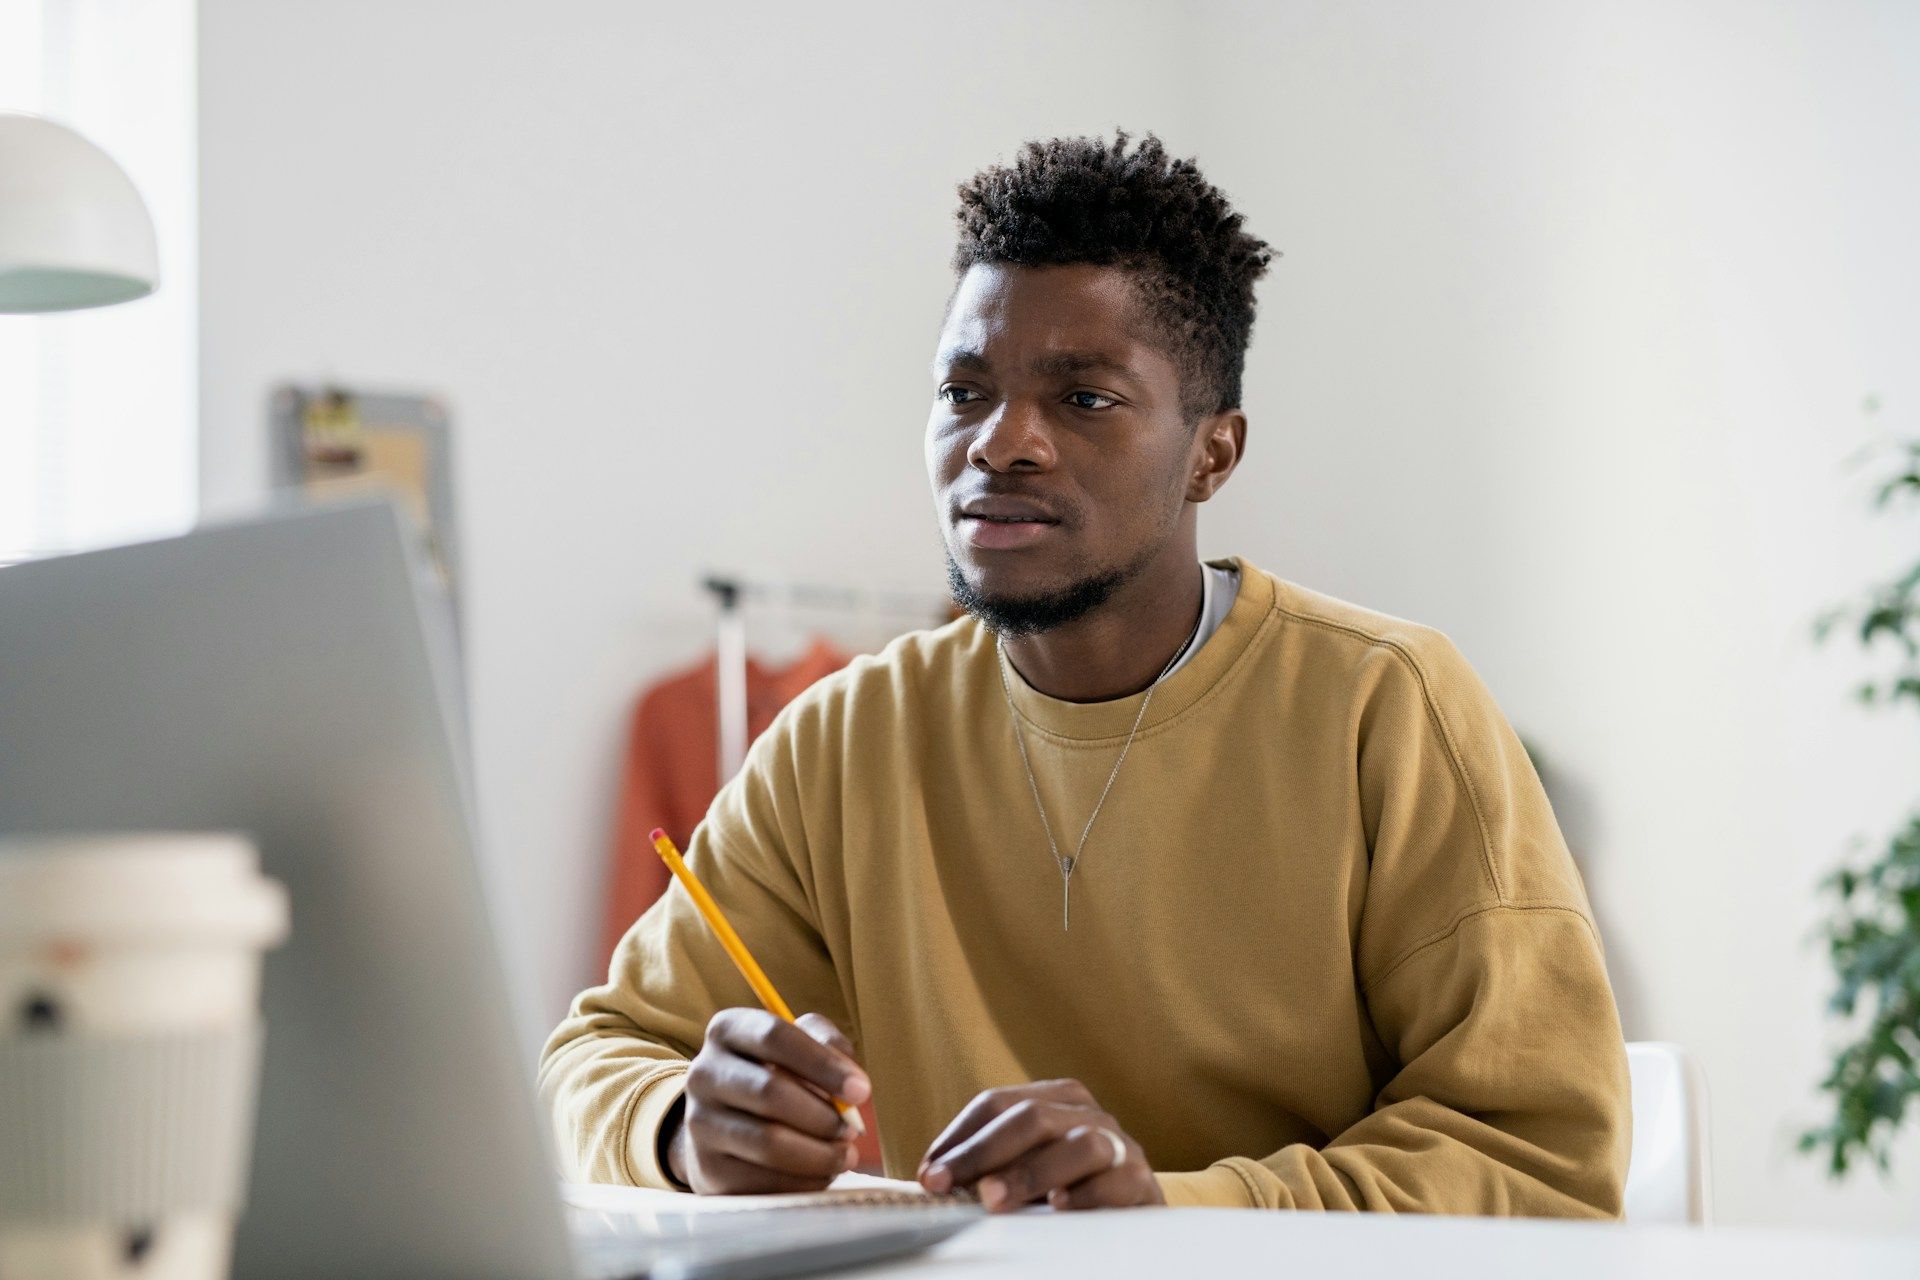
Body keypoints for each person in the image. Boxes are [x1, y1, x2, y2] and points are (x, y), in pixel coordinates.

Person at [539, 131, 1630, 1215]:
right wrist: (685, 1122)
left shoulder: (1389, 707)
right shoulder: (844, 739)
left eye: (1085, 399)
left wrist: (1170, 1214)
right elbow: (595, 1056)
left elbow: (1541, 1161)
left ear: (1214, 451)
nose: (1001, 442)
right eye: (964, 392)